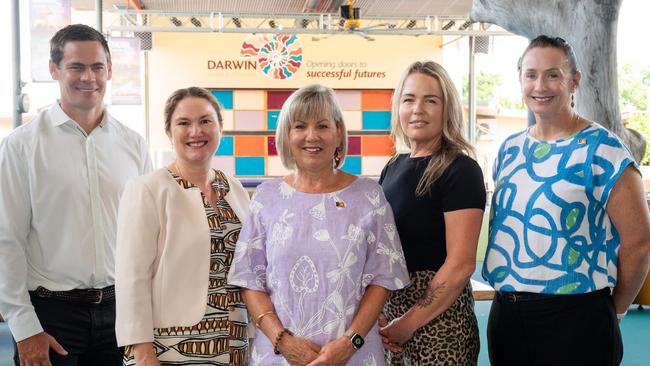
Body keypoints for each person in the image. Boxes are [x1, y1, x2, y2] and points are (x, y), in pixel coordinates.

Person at [482, 35, 650, 366]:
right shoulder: (509, 150)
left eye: (553, 74)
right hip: (508, 316)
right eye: (531, 74)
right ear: (520, 81)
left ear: (574, 81)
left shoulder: (603, 148)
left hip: (578, 318)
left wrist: (611, 311)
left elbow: (640, 242)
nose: (540, 85)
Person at [0, 24, 152, 366]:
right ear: (54, 70)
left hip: (121, 313)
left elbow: (145, 236)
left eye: (98, 66)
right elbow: (6, 239)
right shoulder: (21, 146)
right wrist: (24, 328)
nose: (89, 77)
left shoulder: (132, 145)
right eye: (76, 67)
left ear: (110, 69)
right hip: (50, 315)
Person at [227, 83, 410, 366]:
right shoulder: (266, 198)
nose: (311, 136)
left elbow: (382, 279)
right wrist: (284, 342)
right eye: (300, 126)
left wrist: (350, 344)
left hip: (355, 356)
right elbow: (249, 280)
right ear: (287, 136)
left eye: (322, 126)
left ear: (338, 133)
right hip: (277, 357)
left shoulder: (368, 196)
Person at [114, 87, 251, 365]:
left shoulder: (234, 189)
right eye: (184, 123)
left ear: (219, 128)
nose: (195, 131)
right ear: (168, 132)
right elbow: (131, 277)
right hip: (169, 344)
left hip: (234, 339)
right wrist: (141, 351)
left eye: (205, 121)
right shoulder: (147, 189)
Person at [378, 60, 486, 365]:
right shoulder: (392, 167)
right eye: (409, 99)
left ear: (447, 109)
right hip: (392, 319)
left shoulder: (460, 169)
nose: (417, 109)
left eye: (431, 100)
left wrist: (409, 322)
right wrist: (380, 313)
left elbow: (461, 264)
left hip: (441, 323)